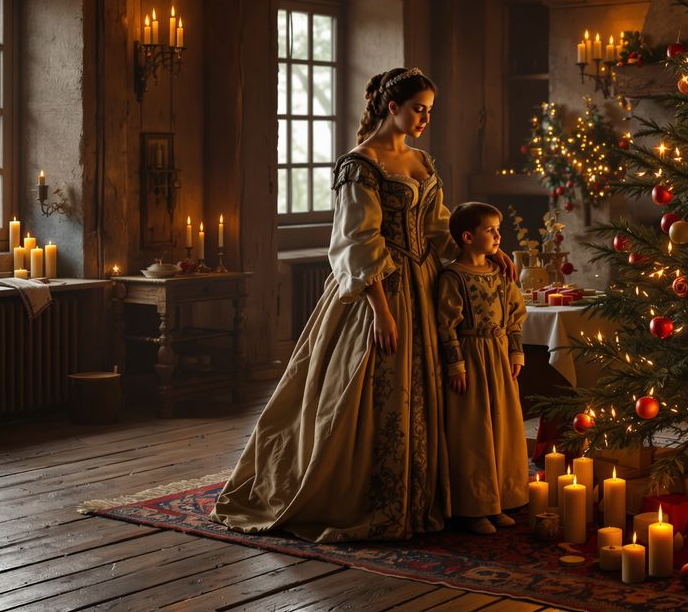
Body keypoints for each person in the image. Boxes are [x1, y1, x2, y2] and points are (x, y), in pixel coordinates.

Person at [212, 67, 510, 541]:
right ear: (392, 107)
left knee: (431, 391)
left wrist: (485, 255)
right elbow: (358, 239)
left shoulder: (421, 161)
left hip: (426, 284)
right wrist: (380, 310)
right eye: (418, 110)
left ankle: (440, 495)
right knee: (370, 389)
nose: (424, 119)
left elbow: (439, 227)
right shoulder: (360, 164)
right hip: (379, 290)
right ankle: (368, 496)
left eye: (429, 112)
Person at [437, 202, 529, 534]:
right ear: (467, 237)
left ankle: (500, 499)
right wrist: (456, 365)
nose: (497, 236)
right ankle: (475, 507)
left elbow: (515, 315)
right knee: (474, 431)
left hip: (499, 356)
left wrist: (515, 353)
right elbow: (446, 324)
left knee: (503, 427)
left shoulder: (500, 273)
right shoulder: (453, 276)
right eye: (490, 230)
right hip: (472, 358)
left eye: (497, 230)